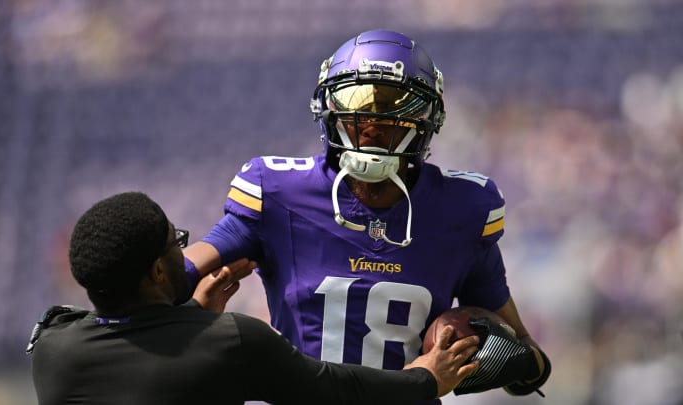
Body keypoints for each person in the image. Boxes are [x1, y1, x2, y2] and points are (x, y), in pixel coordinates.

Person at [183, 29, 551, 402]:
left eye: (395, 106)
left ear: (428, 117)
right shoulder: (278, 193)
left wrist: (488, 352)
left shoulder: (462, 210)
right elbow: (169, 276)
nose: (373, 121)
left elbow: (528, 360)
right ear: (328, 107)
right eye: (357, 102)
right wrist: (191, 311)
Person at [27, 191, 482, 405]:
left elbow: (138, 351)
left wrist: (187, 314)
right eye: (175, 243)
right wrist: (425, 380)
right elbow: (329, 388)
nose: (183, 249)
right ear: (158, 270)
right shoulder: (229, 341)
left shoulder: (52, 348)